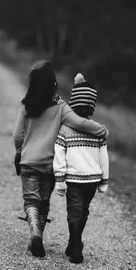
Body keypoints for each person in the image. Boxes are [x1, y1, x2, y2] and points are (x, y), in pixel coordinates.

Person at [13, 61, 109, 258]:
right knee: (44, 202)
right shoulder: (61, 107)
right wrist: (102, 131)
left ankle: (35, 233)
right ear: (53, 84)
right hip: (48, 164)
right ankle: (38, 234)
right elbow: (80, 123)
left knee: (31, 199)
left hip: (28, 162)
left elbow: (17, 136)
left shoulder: (26, 106)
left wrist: (20, 150)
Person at [53, 73, 109, 264]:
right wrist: (104, 181)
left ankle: (75, 246)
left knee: (74, 211)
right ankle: (74, 242)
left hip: (73, 179)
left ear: (72, 104)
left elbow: (59, 155)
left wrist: (59, 180)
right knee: (83, 210)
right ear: (91, 107)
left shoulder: (65, 129)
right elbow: (104, 158)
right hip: (92, 179)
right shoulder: (97, 131)